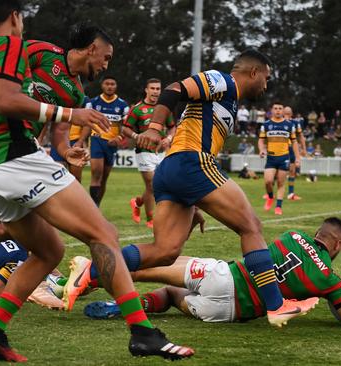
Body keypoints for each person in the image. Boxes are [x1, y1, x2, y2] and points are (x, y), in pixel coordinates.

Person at [0, 2, 192, 361]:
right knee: (105, 235)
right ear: (16, 17)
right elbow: (7, 100)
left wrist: (63, 151)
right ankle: (143, 333)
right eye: (106, 58)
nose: (105, 65)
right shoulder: (23, 47)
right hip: (17, 158)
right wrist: (70, 113)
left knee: (50, 251)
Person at [67, 49, 317, 329]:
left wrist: (194, 202)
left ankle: (88, 272)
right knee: (251, 226)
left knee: (165, 251)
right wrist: (154, 127)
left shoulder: (229, 99)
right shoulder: (222, 80)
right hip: (191, 162)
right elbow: (175, 89)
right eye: (266, 78)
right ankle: (276, 305)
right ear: (254, 72)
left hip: (177, 170)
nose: (266, 85)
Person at [84, 217, 341, 329]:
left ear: (318, 234)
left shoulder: (293, 235)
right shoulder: (329, 281)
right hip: (228, 312)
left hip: (224, 276)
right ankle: (120, 306)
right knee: (172, 296)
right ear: (338, 244)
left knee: (157, 267)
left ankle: (92, 276)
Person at [27, 38, 94, 182]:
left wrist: (67, 151)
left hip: (25, 144)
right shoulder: (44, 52)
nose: (106, 65)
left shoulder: (77, 94)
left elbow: (60, 131)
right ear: (91, 50)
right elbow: (6, 92)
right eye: (105, 58)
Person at [121, 78, 176, 228]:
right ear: (146, 90)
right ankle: (151, 219)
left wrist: (169, 138)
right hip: (144, 151)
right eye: (152, 88)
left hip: (162, 151)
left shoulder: (164, 108)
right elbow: (125, 128)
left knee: (160, 184)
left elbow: (172, 126)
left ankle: (137, 202)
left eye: (158, 89)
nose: (155, 91)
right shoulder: (138, 109)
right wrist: (136, 136)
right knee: (152, 185)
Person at [85, 76, 130, 206]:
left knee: (104, 179)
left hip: (111, 144)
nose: (110, 86)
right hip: (96, 139)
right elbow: (87, 123)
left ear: (116, 86)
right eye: (107, 83)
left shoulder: (122, 105)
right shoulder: (93, 103)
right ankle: (93, 209)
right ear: (102, 85)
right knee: (96, 173)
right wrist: (82, 140)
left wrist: (119, 138)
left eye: (112, 84)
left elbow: (127, 126)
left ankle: (97, 205)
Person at [258, 102, 300, 215]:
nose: (277, 110)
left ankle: (278, 206)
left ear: (283, 111)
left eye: (280, 108)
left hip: (284, 158)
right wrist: (262, 149)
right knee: (268, 181)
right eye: (275, 108)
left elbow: (295, 142)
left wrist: (297, 158)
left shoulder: (289, 125)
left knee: (281, 183)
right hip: (271, 158)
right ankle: (270, 197)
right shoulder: (266, 125)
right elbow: (261, 140)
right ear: (272, 110)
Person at [284, 106, 305, 201]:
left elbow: (301, 136)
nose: (287, 115)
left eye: (289, 113)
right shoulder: (277, 122)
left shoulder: (296, 123)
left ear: (292, 114)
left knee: (292, 171)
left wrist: (303, 149)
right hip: (280, 148)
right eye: (286, 113)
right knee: (276, 171)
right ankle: (270, 193)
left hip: (291, 148)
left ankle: (290, 194)